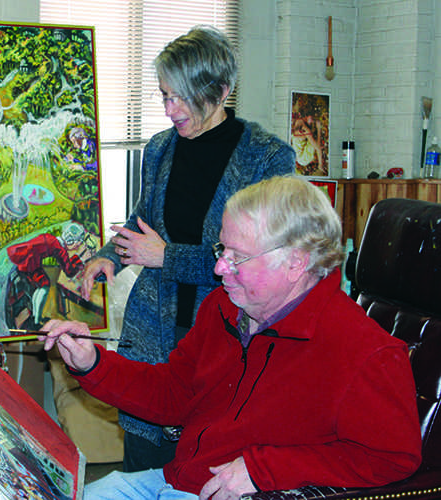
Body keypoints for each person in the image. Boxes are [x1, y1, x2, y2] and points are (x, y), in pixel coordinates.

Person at [44, 176, 422, 499]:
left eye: (237, 257)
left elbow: (391, 458)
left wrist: (264, 469)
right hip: (175, 480)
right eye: (221, 248)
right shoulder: (223, 307)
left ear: (295, 263)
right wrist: (92, 363)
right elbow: (174, 393)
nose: (218, 267)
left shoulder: (367, 353)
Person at [78, 25, 296, 471]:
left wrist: (166, 257)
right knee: (142, 468)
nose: (170, 109)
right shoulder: (159, 149)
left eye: (182, 98)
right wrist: (107, 257)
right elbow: (143, 222)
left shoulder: (268, 158)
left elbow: (261, 265)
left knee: (203, 468)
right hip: (153, 335)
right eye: (164, 96)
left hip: (224, 338)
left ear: (221, 90)